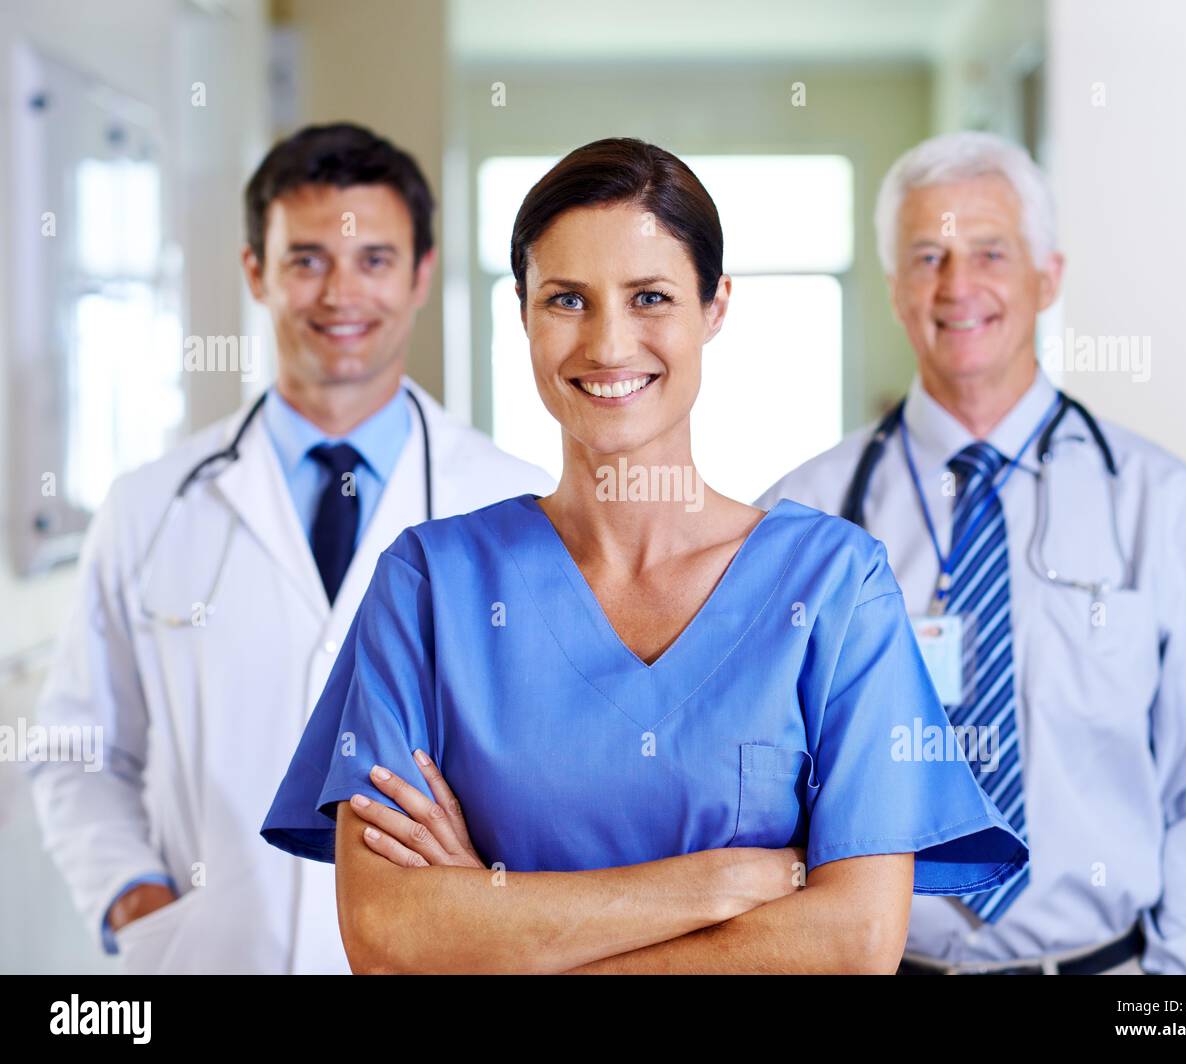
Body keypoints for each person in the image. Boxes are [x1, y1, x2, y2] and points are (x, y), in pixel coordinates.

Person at [261, 137, 1028, 975]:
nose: (609, 344)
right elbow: (386, 932)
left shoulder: (837, 587)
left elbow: (853, 945)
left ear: (716, 306)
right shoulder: (431, 586)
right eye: (566, 301)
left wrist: (493, 921)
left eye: (651, 296)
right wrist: (718, 883)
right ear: (521, 313)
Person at [756, 130, 1186, 975]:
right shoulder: (805, 519)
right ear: (896, 291)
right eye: (928, 256)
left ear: (1049, 276)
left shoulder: (1164, 507)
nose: (957, 285)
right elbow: (756, 783)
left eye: (990, 253)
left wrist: (1179, 995)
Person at [25, 123, 553, 974]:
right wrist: (137, 899)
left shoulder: (513, 505)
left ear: (421, 274)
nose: (341, 294)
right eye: (307, 260)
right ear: (255, 273)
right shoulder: (153, 505)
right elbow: (77, 750)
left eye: (374, 260)